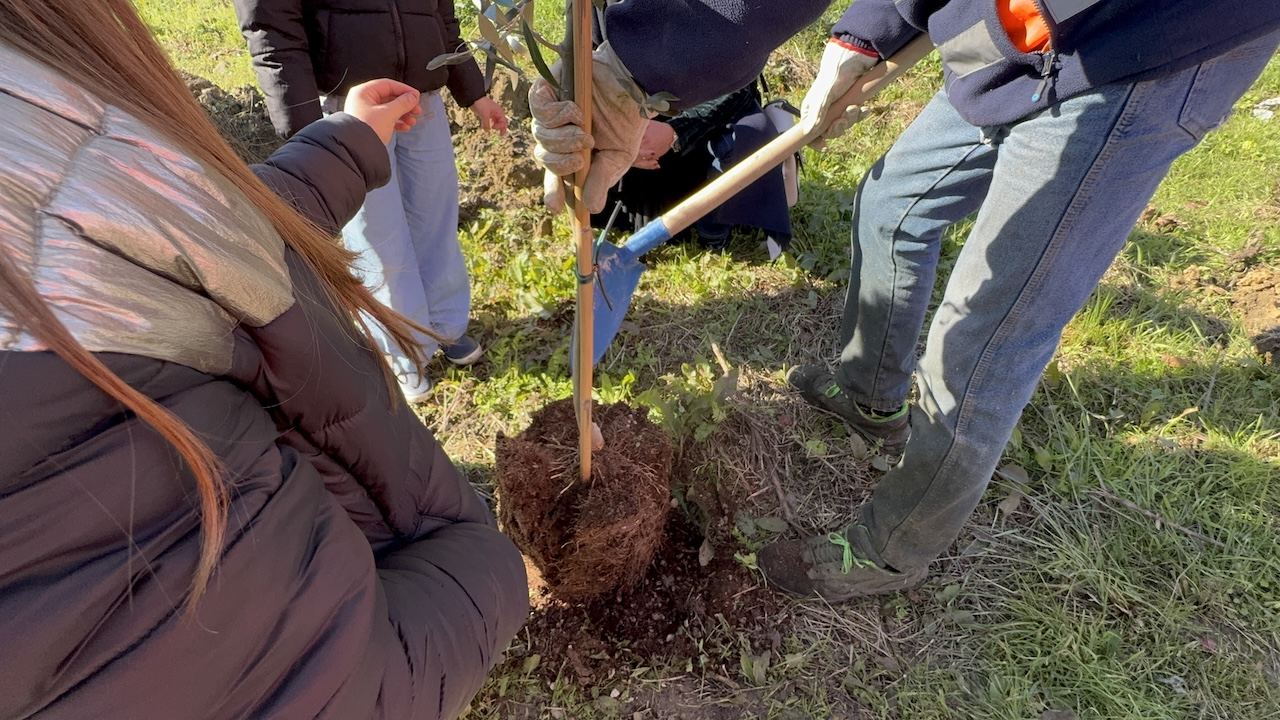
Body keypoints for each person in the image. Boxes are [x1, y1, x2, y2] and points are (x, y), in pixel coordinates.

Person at [530, 0, 1280, 601]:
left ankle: (893, 550)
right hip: (1010, 30)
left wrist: (636, 60)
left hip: (1140, 47)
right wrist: (870, 31)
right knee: (893, 201)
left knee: (983, 333)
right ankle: (869, 391)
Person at [0, 2, 527, 718]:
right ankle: (415, 356)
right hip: (428, 562)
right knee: (390, 251)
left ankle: (441, 330)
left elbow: (175, 230)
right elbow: (327, 682)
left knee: (429, 227)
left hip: (405, 103)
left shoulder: (38, 100)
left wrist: (341, 145)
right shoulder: (74, 443)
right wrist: (484, 567)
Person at [234, 0, 510, 402]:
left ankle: (445, 325)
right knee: (377, 235)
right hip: (348, 105)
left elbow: (441, 16)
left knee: (435, 216)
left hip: (422, 98)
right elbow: (272, 31)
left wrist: (475, 92)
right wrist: (313, 136)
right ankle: (404, 350)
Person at [593, 83, 799, 255]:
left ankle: (713, 230)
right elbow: (598, 80)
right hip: (637, 120)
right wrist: (624, 144)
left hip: (707, 118)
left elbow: (742, 86)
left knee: (752, 133)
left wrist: (676, 132)